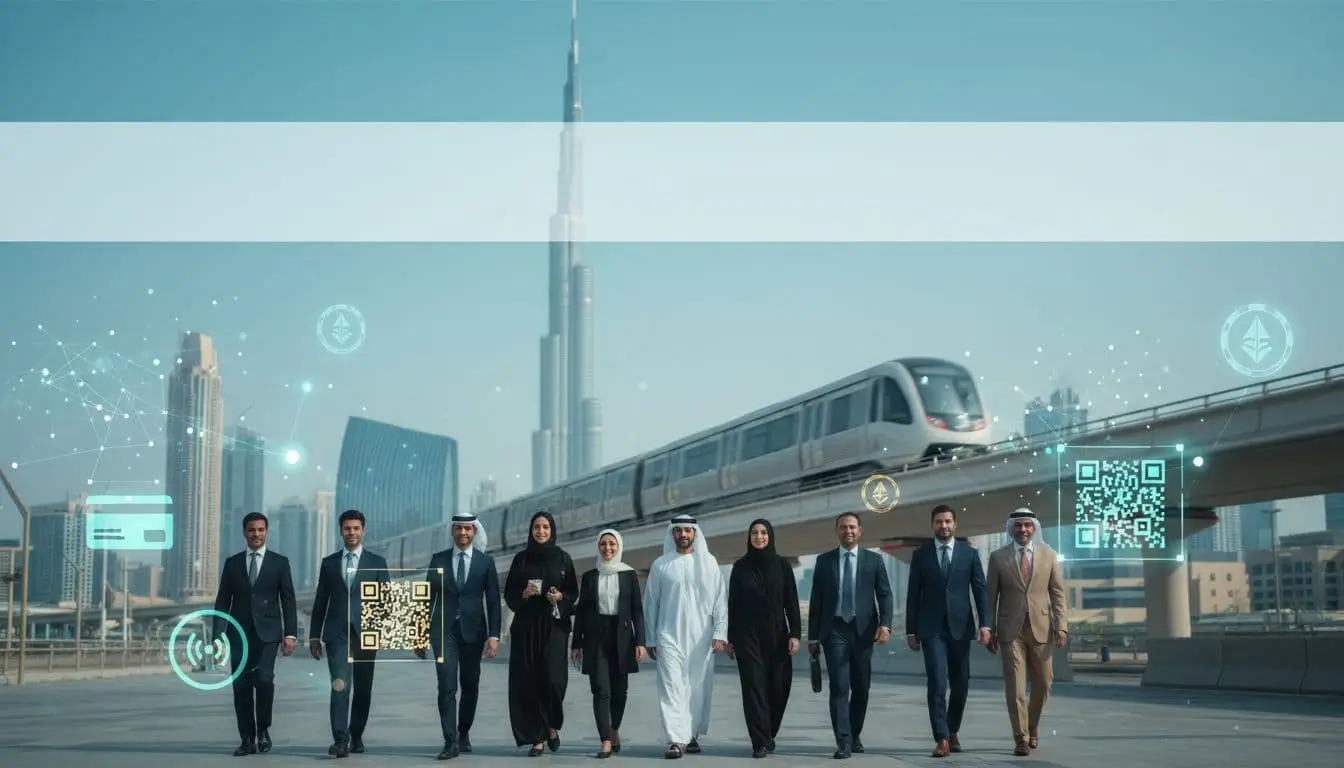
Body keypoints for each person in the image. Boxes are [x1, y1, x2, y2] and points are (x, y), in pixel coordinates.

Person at [905, 505, 991, 758]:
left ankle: (952, 729)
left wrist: (985, 624)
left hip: (961, 627)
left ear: (955, 525)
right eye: (939, 522)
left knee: (961, 683)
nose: (943, 526)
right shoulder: (921, 555)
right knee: (937, 681)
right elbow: (913, 595)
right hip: (931, 629)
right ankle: (941, 737)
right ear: (932, 525)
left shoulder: (969, 555)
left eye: (948, 521)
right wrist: (912, 630)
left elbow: (980, 591)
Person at [806, 512, 893, 760]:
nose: (848, 531)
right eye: (843, 527)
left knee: (861, 687)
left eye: (852, 527)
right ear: (837, 531)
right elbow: (816, 602)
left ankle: (855, 734)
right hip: (834, 630)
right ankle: (843, 741)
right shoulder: (824, 561)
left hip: (864, 631)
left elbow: (885, 595)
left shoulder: (874, 561)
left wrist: (885, 625)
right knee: (839, 686)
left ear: (860, 530)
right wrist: (813, 638)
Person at [415, 512, 501, 760]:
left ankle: (464, 732)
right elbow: (425, 597)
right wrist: (419, 634)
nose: (463, 533)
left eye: (468, 529)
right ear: (452, 532)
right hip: (443, 633)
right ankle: (450, 740)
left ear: (474, 532)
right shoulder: (438, 560)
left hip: (474, 633)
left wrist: (494, 636)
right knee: (446, 685)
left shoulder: (486, 563)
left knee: (470, 684)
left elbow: (493, 601)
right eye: (459, 529)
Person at [212, 511, 298, 757]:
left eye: (261, 529)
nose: (256, 534)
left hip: (268, 635)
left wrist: (290, 634)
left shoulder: (279, 562)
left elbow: (288, 600)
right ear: (244, 532)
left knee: (263, 680)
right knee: (240, 687)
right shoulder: (232, 563)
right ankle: (246, 739)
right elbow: (222, 602)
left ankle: (263, 729)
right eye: (252, 529)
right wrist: (217, 636)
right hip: (238, 635)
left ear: (267, 532)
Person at [644, 513, 728, 760]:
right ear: (672, 534)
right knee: (671, 687)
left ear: (695, 534)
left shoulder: (709, 563)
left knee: (696, 687)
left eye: (687, 531)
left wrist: (720, 632)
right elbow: (651, 605)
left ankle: (691, 735)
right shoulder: (661, 564)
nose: (683, 535)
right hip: (668, 635)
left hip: (701, 638)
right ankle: (674, 739)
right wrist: (650, 639)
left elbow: (719, 602)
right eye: (678, 530)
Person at [308, 509, 391, 757]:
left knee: (363, 689)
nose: (351, 532)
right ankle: (340, 740)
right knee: (340, 686)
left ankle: (356, 735)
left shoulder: (377, 563)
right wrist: (314, 636)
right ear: (340, 531)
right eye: (347, 528)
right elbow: (321, 600)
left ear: (363, 531)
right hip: (337, 635)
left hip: (367, 635)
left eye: (356, 528)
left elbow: (385, 603)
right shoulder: (329, 563)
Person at [986, 508, 1068, 757]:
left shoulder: (1049, 555)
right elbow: (991, 597)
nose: (1023, 530)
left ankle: (1032, 725)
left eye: (1027, 526)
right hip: (1011, 632)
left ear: (1034, 528)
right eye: (1018, 526)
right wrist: (989, 629)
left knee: (1044, 683)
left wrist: (1061, 625)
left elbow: (1057, 593)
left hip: (1042, 629)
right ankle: (1020, 737)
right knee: (1015, 689)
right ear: (1011, 528)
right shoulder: (998, 557)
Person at [503, 510, 578, 756]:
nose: (541, 531)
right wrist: (523, 595)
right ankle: (537, 736)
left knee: (554, 680)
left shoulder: (563, 559)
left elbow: (573, 593)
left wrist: (560, 597)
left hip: (555, 627)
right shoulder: (521, 559)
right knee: (530, 682)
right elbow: (510, 595)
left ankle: (552, 725)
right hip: (527, 627)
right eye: (537, 527)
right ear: (531, 530)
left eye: (545, 527)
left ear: (552, 530)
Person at [727, 518, 801, 759]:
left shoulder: (782, 566)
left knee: (779, 686)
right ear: (748, 537)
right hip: (747, 635)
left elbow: (791, 603)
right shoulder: (740, 567)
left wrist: (795, 634)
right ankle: (759, 741)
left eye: (763, 533)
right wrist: (730, 638)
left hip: (777, 634)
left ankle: (769, 732)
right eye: (754, 533)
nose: (759, 537)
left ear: (770, 536)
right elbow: (733, 605)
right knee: (753, 688)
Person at [570, 529, 647, 759]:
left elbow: (637, 611)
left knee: (619, 690)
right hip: (596, 637)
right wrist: (576, 644)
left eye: (612, 544)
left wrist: (640, 642)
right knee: (600, 689)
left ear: (619, 546)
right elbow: (582, 612)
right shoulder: (590, 576)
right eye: (603, 544)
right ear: (598, 547)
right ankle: (605, 739)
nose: (607, 548)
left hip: (622, 637)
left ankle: (614, 730)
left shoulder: (628, 574)